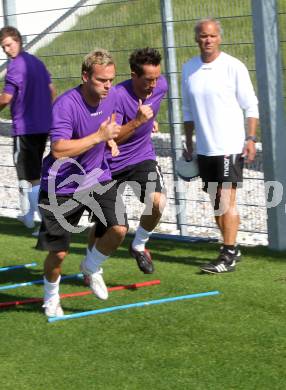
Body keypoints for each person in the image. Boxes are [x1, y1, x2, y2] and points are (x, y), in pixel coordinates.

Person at [37, 49, 128, 317]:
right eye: (102, 80)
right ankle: (51, 297)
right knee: (59, 254)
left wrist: (110, 140)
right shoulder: (65, 105)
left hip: (96, 177)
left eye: (111, 79)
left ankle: (91, 266)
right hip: (60, 187)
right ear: (85, 76)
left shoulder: (111, 98)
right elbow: (59, 150)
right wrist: (99, 138)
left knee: (119, 229)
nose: (108, 85)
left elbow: (111, 124)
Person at [181, 18, 259, 274]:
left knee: (227, 199)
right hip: (205, 148)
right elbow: (188, 110)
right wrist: (189, 143)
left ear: (219, 38)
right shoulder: (188, 69)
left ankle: (227, 254)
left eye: (212, 36)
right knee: (216, 203)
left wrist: (250, 138)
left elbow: (251, 105)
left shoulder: (233, 67)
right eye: (203, 36)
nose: (208, 40)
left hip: (230, 145)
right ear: (196, 39)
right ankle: (232, 248)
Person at [84, 47, 167, 275]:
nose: (153, 85)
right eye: (147, 80)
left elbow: (154, 104)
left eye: (156, 78)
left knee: (158, 202)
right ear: (133, 75)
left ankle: (138, 245)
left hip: (141, 157)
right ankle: (90, 267)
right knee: (105, 226)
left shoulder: (162, 85)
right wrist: (139, 122)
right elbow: (114, 137)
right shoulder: (117, 96)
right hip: (110, 163)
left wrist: (152, 120)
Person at [0, 26, 56, 230]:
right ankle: (27, 216)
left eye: (9, 45)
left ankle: (45, 224)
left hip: (25, 128)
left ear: (18, 41)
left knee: (27, 175)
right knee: (32, 173)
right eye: (3, 47)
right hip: (43, 126)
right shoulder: (37, 62)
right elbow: (52, 90)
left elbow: (6, 98)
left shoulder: (15, 66)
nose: (6, 50)